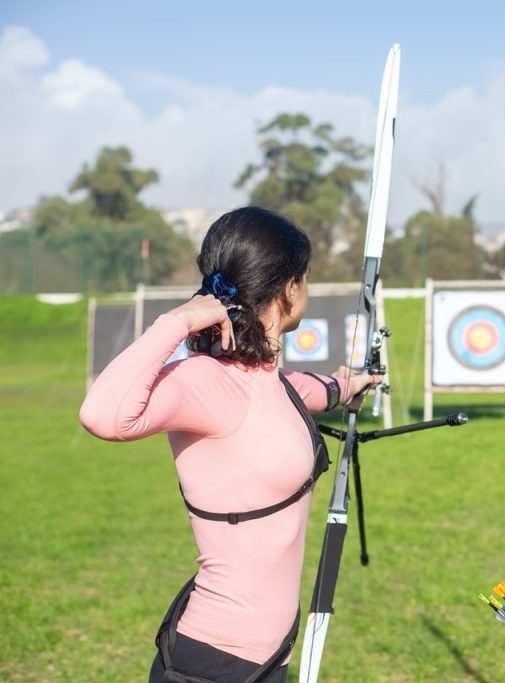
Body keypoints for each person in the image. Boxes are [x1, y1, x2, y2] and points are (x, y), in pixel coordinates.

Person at [79, 207, 381, 682]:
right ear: (290, 288)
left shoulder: (266, 382)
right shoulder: (203, 383)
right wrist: (179, 320)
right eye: (306, 278)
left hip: (265, 661)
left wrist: (350, 384)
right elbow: (102, 415)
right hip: (212, 664)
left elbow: (302, 391)